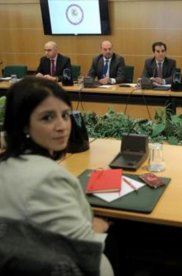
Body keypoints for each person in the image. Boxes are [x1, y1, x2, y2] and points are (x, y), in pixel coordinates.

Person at [0, 77, 113, 276]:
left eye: (65, 115)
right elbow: (86, 250)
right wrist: (94, 226)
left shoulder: (6, 165)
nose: (62, 126)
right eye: (47, 117)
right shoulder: (49, 179)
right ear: (24, 125)